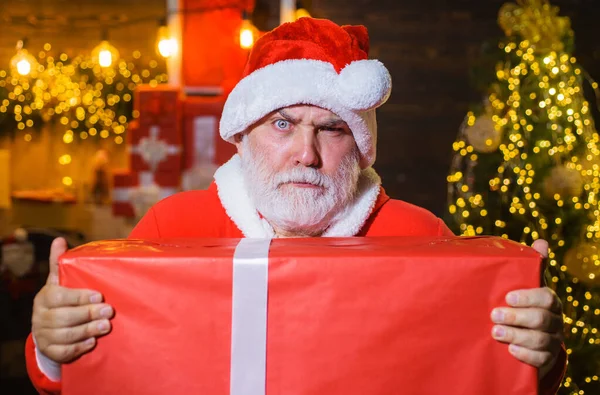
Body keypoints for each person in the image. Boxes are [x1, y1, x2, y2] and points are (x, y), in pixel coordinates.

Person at [26, 17, 566, 394]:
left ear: (359, 146)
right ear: (242, 135)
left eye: (331, 130)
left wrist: (540, 355)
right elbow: (74, 370)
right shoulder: (169, 227)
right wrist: (52, 344)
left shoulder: (421, 236)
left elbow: (480, 368)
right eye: (282, 124)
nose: (305, 155)